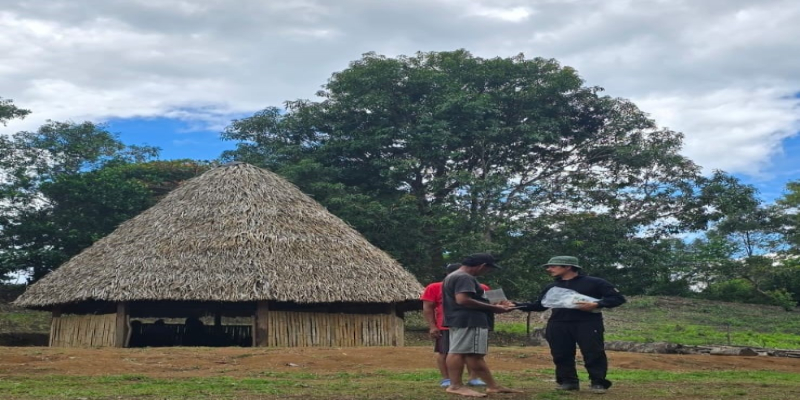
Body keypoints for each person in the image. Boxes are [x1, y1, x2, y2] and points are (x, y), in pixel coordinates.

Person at [514, 256, 626, 394]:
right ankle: (568, 382)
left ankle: (598, 382)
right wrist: (515, 305)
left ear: (568, 267)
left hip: (588, 323)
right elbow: (540, 305)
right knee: (561, 354)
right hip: (558, 323)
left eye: (553, 266)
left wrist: (597, 304)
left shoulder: (595, 282)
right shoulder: (551, 287)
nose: (549, 269)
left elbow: (617, 298)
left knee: (593, 352)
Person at [442, 253, 521, 397]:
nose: (487, 272)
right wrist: (494, 308)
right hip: (469, 320)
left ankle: (493, 386)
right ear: (482, 266)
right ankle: (455, 386)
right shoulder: (465, 277)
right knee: (458, 353)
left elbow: (471, 298)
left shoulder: (454, 275)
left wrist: (496, 303)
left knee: (473, 355)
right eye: (489, 269)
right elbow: (463, 300)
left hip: (460, 319)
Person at [420, 263, 489, 388]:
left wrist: (504, 303)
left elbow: (494, 300)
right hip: (446, 325)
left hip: (470, 324)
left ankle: (473, 378)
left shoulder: (480, 287)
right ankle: (448, 379)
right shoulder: (434, 287)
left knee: (473, 353)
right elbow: (428, 307)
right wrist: (432, 326)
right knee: (445, 352)